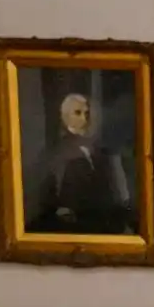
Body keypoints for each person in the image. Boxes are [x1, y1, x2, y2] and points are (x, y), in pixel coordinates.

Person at [31, 92, 136, 235]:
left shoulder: (96, 149)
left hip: (103, 222)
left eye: (86, 113)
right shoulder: (58, 151)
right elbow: (53, 196)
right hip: (76, 226)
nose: (84, 118)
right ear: (65, 117)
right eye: (77, 113)